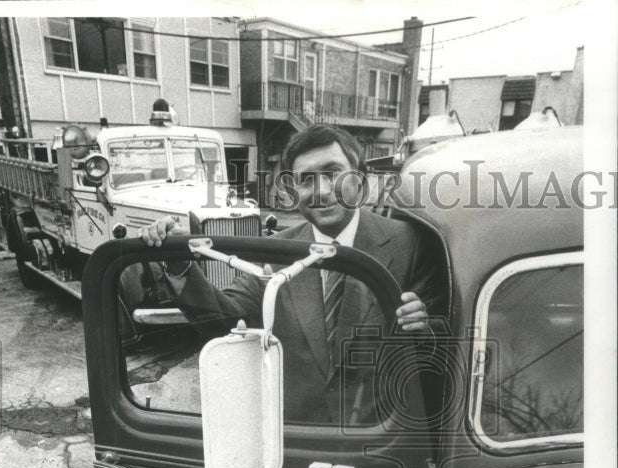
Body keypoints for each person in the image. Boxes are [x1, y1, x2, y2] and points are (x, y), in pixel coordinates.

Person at [140, 124, 444, 425]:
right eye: (306, 180)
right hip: (299, 445)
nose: (322, 191)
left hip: (381, 446)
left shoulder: (411, 243)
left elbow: (444, 345)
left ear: (360, 178)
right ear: (293, 190)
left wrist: (423, 325)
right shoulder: (275, 253)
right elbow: (226, 322)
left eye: (333, 173)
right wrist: (179, 262)